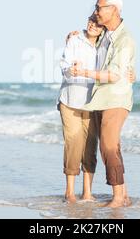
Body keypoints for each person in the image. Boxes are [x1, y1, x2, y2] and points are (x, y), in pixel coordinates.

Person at [69, 0, 135, 208]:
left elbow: (115, 75)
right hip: (100, 99)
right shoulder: (106, 33)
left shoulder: (124, 40)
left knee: (107, 145)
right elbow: (89, 44)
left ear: (113, 10)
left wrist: (84, 73)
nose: (95, 11)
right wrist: (72, 37)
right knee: (111, 147)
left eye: (99, 7)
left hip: (116, 99)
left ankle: (117, 198)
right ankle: (123, 196)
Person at [57, 15, 104, 203]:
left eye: (98, 23)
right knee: (74, 142)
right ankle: (69, 192)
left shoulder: (106, 45)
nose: (93, 25)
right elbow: (64, 64)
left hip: (94, 103)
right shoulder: (75, 39)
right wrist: (71, 69)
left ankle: (87, 193)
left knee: (91, 146)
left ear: (103, 28)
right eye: (91, 21)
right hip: (70, 101)